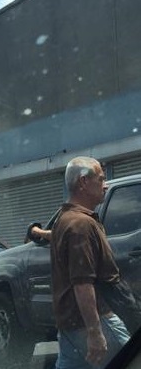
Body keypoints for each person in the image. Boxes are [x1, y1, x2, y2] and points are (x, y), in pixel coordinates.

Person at [50, 156, 130, 368]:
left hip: (70, 323)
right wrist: (95, 332)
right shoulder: (80, 225)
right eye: (101, 179)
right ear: (83, 182)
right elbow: (82, 282)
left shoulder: (66, 220)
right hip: (94, 320)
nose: (105, 185)